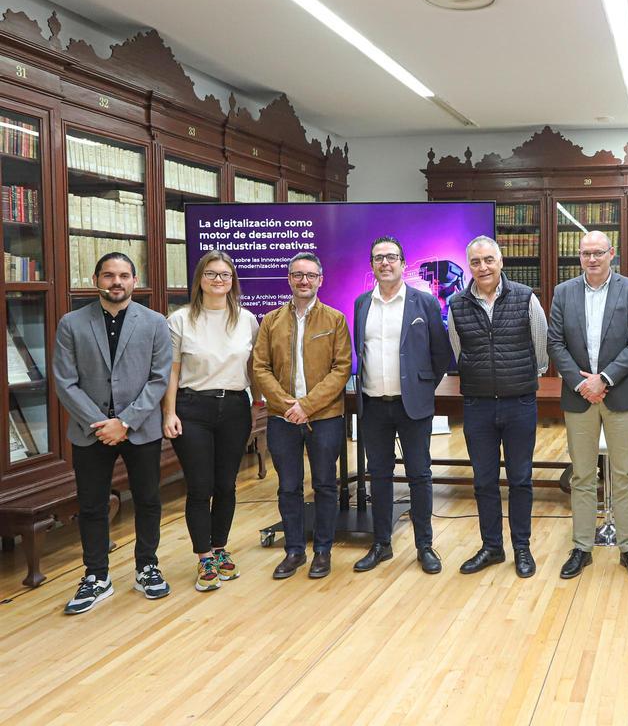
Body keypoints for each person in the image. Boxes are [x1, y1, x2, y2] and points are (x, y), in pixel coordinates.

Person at [54, 252, 172, 614]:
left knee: (148, 500)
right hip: (91, 431)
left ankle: (147, 567)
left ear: (135, 281)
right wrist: (101, 423)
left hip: (140, 429)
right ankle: (96, 576)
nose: (116, 282)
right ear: (95, 280)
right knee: (92, 505)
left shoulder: (155, 323)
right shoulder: (71, 323)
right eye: (108, 275)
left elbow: (159, 378)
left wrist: (125, 421)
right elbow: (65, 381)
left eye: (123, 275)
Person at [548, 231, 628, 581]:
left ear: (612, 254)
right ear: (579, 256)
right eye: (586, 253)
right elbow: (555, 342)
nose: (592, 259)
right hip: (579, 398)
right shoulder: (563, 292)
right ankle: (581, 547)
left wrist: (603, 379)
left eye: (598, 253)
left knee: (624, 474)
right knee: (582, 475)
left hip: (620, 395)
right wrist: (581, 384)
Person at [448, 236, 548, 578]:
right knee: (484, 481)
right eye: (476, 262)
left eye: (489, 259)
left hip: (519, 402)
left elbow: (540, 349)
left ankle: (522, 547)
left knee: (520, 479)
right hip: (477, 406)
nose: (483, 267)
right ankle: (492, 547)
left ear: (501, 261)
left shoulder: (525, 297)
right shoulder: (457, 304)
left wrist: (518, 378)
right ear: (469, 266)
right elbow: (459, 351)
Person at [352, 236, 451, 574]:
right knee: (378, 475)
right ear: (372, 265)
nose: (385, 263)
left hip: (413, 407)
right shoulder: (362, 304)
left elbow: (441, 355)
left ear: (403, 263)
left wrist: (421, 387)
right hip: (373, 406)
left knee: (419, 475)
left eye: (391, 257)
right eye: (378, 257)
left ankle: (425, 546)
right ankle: (381, 544)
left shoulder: (424, 302)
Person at [162, 251, 259, 593]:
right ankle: (203, 556)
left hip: (235, 407)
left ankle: (219, 548)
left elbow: (254, 368)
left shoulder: (247, 319)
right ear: (200, 279)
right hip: (192, 409)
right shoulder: (180, 320)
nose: (219, 280)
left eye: (225, 275)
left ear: (233, 281)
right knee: (200, 486)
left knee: (226, 485)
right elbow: (172, 371)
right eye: (212, 274)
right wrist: (169, 412)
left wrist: (259, 402)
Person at [252, 251, 352, 580]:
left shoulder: (335, 320)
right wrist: (286, 405)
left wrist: (306, 406)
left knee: (325, 484)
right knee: (288, 487)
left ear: (320, 280)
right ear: (289, 279)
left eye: (310, 275)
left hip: (324, 417)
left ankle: (322, 551)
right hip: (282, 418)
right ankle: (294, 551)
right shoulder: (271, 321)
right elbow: (260, 367)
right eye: (298, 275)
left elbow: (341, 369)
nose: (304, 280)